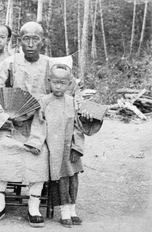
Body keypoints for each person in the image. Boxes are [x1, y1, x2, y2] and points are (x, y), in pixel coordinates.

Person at [0, 21, 72, 228]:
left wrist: (43, 111)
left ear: (43, 41)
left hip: (41, 125)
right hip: (10, 125)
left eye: (35, 39)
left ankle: (34, 203)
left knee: (42, 151)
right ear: (19, 41)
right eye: (26, 39)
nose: (30, 44)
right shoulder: (10, 63)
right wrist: (5, 116)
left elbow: (68, 92)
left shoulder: (51, 65)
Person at [28, 64, 103, 228]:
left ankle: (73, 209)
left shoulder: (72, 103)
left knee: (73, 178)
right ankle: (64, 210)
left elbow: (78, 127)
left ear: (69, 84)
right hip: (54, 148)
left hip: (70, 146)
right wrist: (36, 143)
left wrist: (77, 147)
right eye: (55, 82)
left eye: (63, 83)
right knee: (61, 179)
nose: (58, 86)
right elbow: (38, 124)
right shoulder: (44, 102)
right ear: (49, 82)